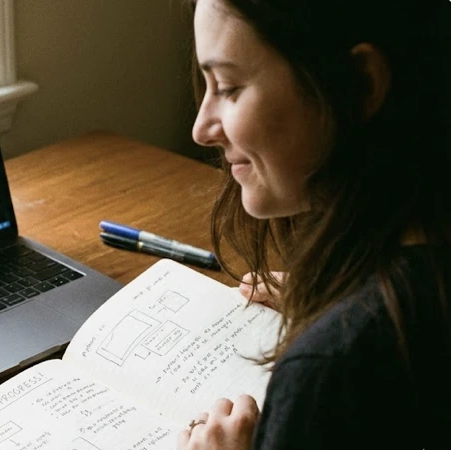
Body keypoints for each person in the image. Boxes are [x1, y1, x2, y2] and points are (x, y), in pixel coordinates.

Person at [177, 0, 451, 448]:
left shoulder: (330, 372)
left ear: (360, 84)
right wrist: (344, 294)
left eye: (227, 87)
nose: (201, 128)